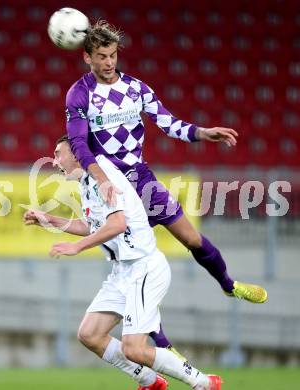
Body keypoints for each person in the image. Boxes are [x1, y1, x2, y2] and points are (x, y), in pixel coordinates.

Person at [64, 20, 268, 349]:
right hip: (115, 191)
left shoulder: (136, 89)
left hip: (143, 181)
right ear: (87, 58)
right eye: (101, 56)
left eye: (113, 55)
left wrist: (203, 133)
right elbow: (78, 144)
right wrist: (101, 179)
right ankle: (164, 347)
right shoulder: (80, 93)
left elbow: (168, 123)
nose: (109, 62)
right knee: (135, 267)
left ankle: (229, 285)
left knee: (192, 238)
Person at [24, 135, 223, 390]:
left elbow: (118, 224)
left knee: (134, 349)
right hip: (123, 271)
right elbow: (91, 226)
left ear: (77, 153)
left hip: (144, 268)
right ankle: (150, 382)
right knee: (90, 335)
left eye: (58, 153)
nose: (54, 161)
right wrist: (48, 219)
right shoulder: (87, 182)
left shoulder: (104, 176)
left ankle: (204, 383)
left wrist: (77, 248)